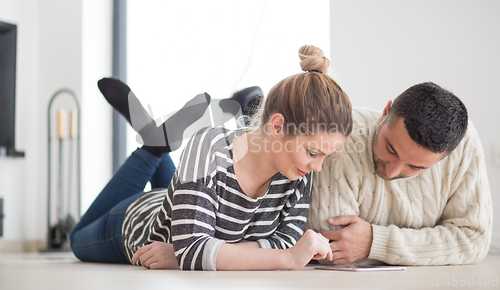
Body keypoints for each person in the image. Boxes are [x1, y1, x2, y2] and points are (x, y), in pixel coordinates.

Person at [69, 45, 353, 271]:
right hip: (139, 222)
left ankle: (157, 142)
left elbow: (282, 241)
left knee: (186, 195)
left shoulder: (299, 172)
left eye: (325, 156)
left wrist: (190, 254)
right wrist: (288, 259)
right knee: (76, 239)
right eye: (313, 152)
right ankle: (152, 149)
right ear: (277, 126)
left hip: (187, 206)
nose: (317, 166)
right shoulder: (210, 146)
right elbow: (196, 250)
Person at [305, 82, 493, 266]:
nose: (392, 170)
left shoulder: (464, 146)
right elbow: (330, 250)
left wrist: (375, 242)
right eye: (391, 149)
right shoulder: (341, 135)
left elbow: (474, 240)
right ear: (385, 112)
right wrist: (432, 248)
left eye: (415, 167)